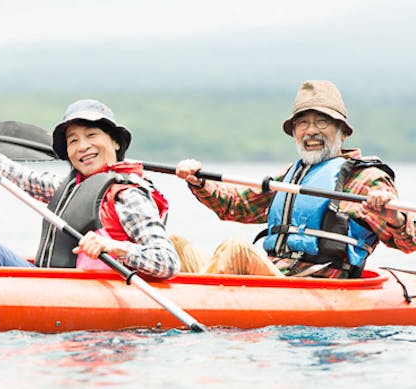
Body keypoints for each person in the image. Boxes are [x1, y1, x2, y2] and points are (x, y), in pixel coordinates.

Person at [174, 80, 416, 278]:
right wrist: (200, 183)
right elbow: (238, 207)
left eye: (322, 122)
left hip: (316, 285)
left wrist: (393, 217)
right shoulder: (291, 176)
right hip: (276, 273)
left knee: (237, 249)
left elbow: (408, 242)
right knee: (177, 246)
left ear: (343, 132)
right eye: (302, 123)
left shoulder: (366, 179)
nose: (310, 130)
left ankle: (195, 304)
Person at [0, 99, 181, 279]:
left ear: (115, 141)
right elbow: (14, 174)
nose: (82, 147)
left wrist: (115, 248)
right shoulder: (69, 187)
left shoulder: (128, 195)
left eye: (91, 135)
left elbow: (168, 262)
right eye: (73, 141)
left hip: (86, 294)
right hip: (52, 282)